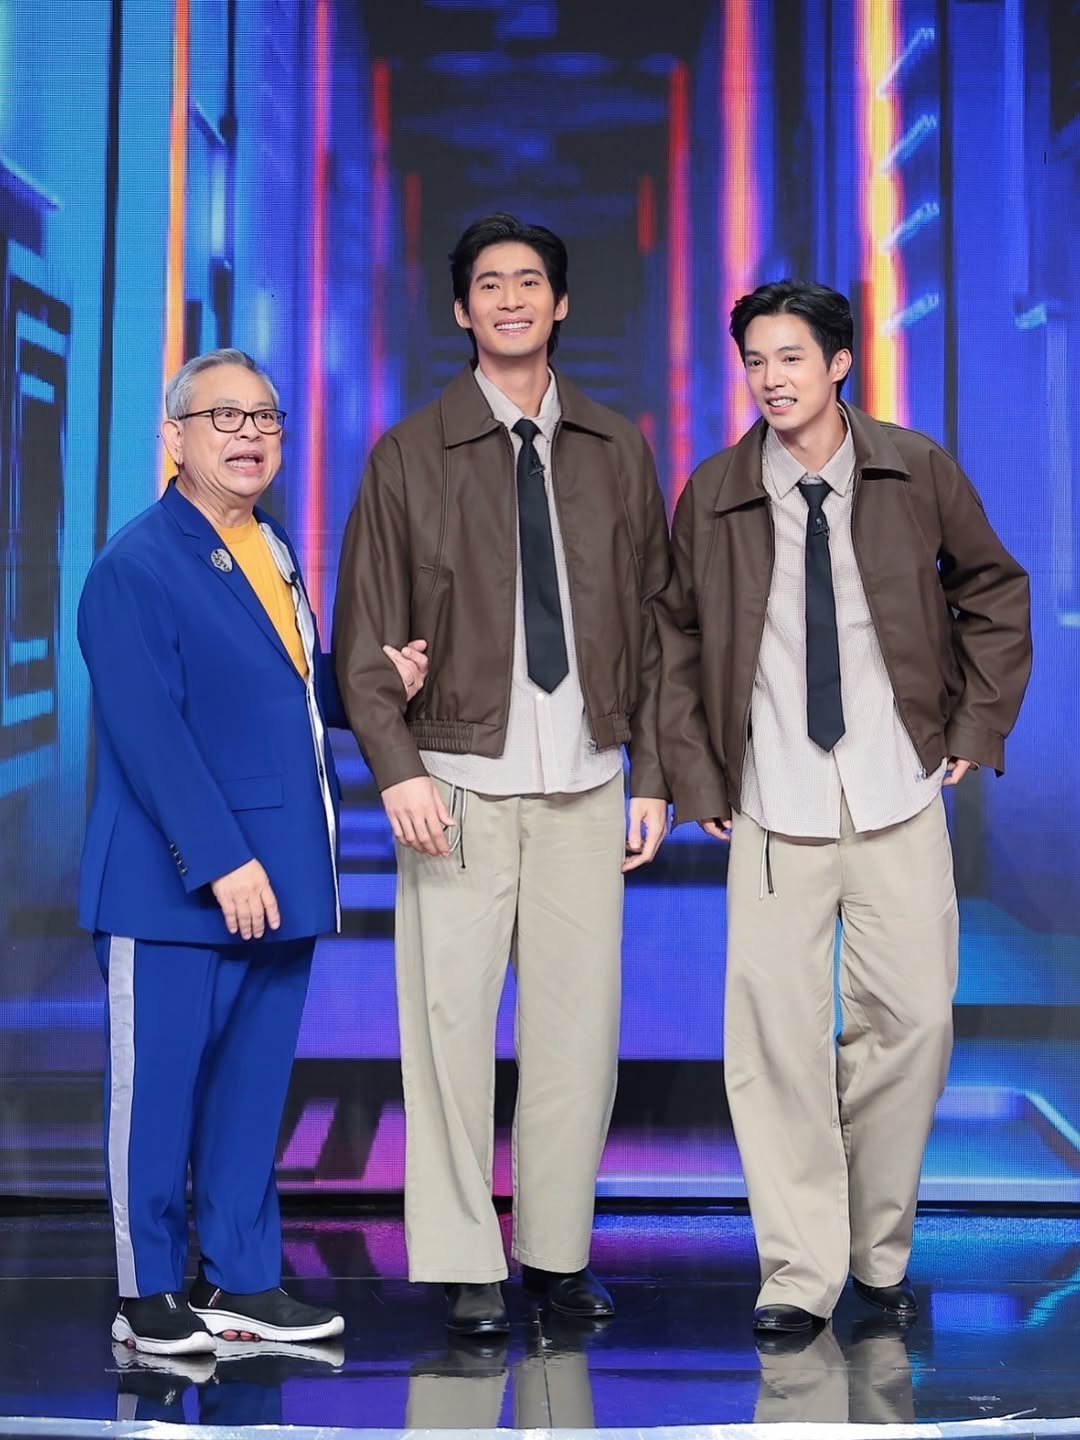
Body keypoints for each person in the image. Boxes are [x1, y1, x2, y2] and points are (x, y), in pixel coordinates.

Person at [657, 280, 1031, 1334]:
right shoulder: (716, 490)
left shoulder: (914, 468)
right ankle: (797, 1272)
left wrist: (974, 728)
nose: (771, 379)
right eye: (755, 361)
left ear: (839, 363)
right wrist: (698, 775)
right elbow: (673, 639)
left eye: (791, 357)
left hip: (897, 790)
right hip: (774, 803)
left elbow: (994, 591)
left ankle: (878, 1250)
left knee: (912, 1026)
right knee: (774, 1044)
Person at [334, 214, 671, 1336]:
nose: (512, 299)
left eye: (531, 282)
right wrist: (398, 772)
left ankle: (558, 1256)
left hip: (585, 781)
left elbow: (661, 626)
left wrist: (654, 772)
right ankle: (464, 1260)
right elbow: (363, 637)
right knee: (448, 1033)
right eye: (490, 284)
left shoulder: (617, 449)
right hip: (455, 786)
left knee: (579, 1035)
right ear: (461, 310)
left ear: (560, 304)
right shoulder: (408, 454)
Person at [78, 348, 428, 1356]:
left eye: (264, 418)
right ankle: (147, 1292)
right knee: (156, 1096)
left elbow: (285, 685)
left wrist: (372, 683)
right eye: (222, 417)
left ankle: (240, 1279)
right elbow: (151, 733)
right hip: (174, 888)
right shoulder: (135, 567)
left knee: (247, 1094)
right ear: (174, 438)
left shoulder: (269, 547)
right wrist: (221, 859)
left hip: (284, 879)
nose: (248, 435)